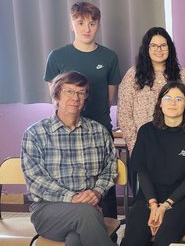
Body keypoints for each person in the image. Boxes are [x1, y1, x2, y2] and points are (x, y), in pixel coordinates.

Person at [44, 1, 121, 220]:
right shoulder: (57, 57)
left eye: (92, 23)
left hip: (98, 130)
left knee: (103, 187)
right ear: (72, 24)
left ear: (98, 25)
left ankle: (109, 235)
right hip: (65, 130)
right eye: (80, 23)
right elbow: (56, 98)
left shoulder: (109, 57)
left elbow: (108, 99)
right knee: (68, 183)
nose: (87, 28)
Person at [21, 71, 117, 245]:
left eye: (81, 93)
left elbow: (110, 168)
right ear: (57, 95)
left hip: (89, 209)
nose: (76, 98)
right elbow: (36, 181)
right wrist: (72, 198)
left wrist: (97, 192)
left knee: (76, 240)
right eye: (69, 92)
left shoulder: (98, 131)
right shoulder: (35, 133)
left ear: (86, 98)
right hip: (48, 210)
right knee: (86, 214)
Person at [121, 81, 185, 246]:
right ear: (160, 103)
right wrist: (153, 205)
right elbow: (142, 172)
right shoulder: (146, 131)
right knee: (132, 240)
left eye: (178, 99)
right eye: (167, 98)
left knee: (163, 239)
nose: (172, 103)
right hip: (149, 196)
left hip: (184, 199)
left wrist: (165, 206)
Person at [118, 26, 185, 155]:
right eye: (153, 46)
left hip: (177, 145)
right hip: (145, 145)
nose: (159, 50)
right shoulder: (133, 75)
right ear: (146, 49)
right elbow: (124, 115)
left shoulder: (182, 75)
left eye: (163, 45)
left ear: (169, 48)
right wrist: (136, 146)